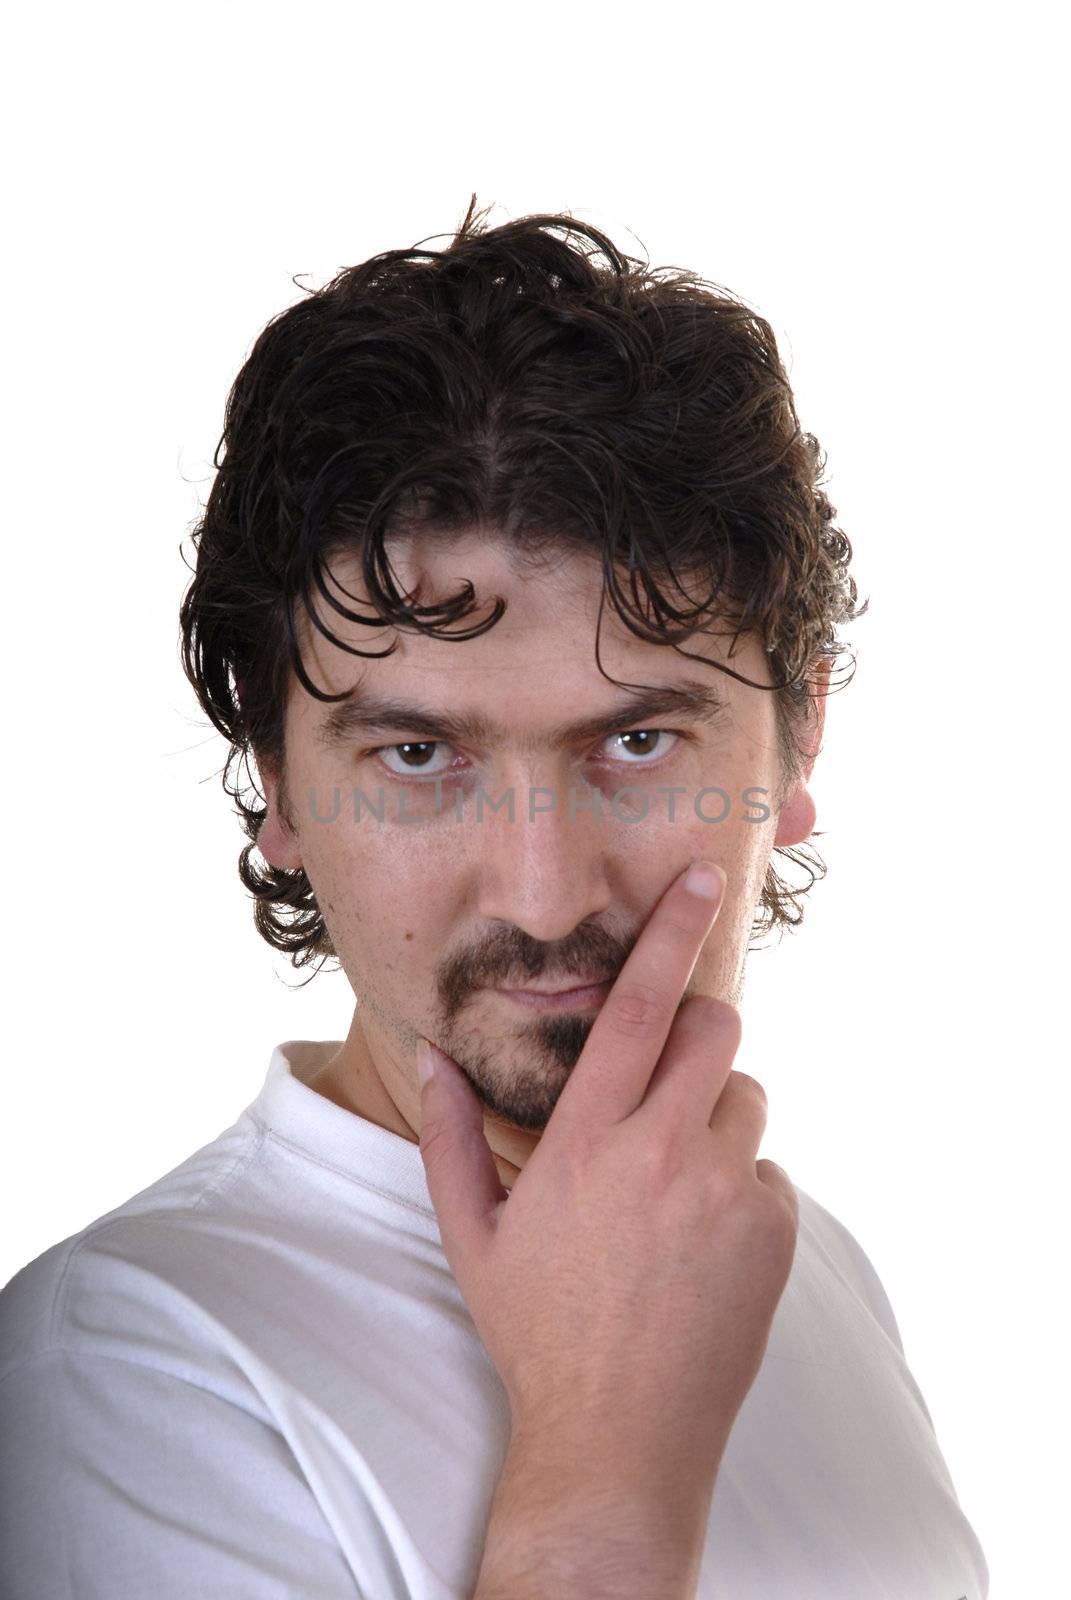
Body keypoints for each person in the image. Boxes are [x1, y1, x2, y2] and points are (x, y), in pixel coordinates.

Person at [0, 197, 989, 1599]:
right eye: (419, 755)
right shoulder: (121, 1368)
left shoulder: (792, 1259)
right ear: (276, 782)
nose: (541, 891)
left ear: (800, 739)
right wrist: (599, 1466)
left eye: (638, 741)